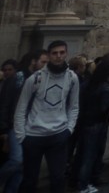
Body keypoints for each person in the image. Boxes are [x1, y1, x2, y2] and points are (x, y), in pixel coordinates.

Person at [14, 39, 80, 193]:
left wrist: (69, 129)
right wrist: (21, 136)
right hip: (33, 136)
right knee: (29, 180)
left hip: (58, 135)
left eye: (62, 52)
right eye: (55, 53)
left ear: (66, 54)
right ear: (49, 56)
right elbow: (21, 108)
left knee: (58, 179)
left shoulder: (72, 78)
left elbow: (74, 106)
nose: (58, 56)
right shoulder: (35, 78)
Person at [76, 58, 109, 193]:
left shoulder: (86, 84)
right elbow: (105, 108)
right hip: (97, 123)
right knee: (90, 156)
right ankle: (84, 185)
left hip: (84, 121)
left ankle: (77, 181)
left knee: (82, 153)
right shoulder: (105, 87)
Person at [0, 58, 24, 193]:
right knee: (16, 161)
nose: (7, 72)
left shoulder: (16, 85)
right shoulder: (4, 85)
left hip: (10, 127)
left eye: (10, 70)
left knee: (18, 164)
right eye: (5, 70)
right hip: (5, 128)